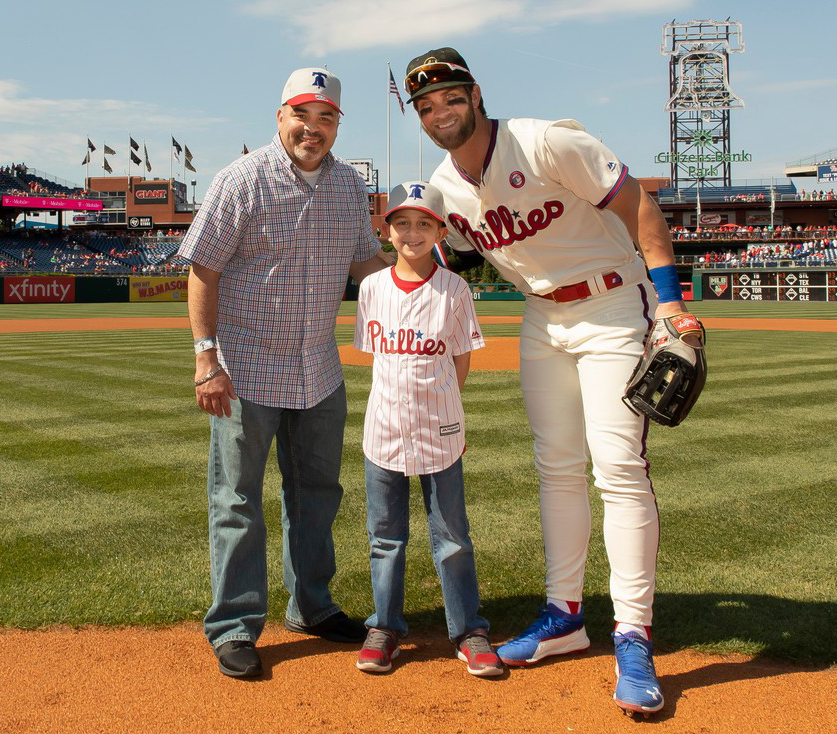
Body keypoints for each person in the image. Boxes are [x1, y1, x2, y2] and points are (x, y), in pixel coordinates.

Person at [404, 47, 699, 715]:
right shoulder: (444, 189)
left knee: (617, 468)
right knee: (556, 468)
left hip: (612, 304)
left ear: (475, 93)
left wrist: (670, 303)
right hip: (544, 317)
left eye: (449, 97)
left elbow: (636, 206)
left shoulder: (543, 142)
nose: (439, 112)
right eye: (424, 106)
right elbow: (428, 252)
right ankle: (564, 614)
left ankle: (632, 634)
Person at [178, 66, 390, 678]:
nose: (313, 128)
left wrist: (421, 288)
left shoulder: (349, 186)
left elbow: (364, 263)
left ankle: (313, 608)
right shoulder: (241, 180)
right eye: (302, 114)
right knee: (237, 499)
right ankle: (234, 625)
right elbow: (203, 270)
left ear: (336, 126)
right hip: (244, 369)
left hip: (318, 370)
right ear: (280, 117)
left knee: (318, 496)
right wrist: (205, 360)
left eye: (326, 118)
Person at [353, 181, 502, 678]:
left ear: (440, 230)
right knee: (385, 538)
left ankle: (468, 630)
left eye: (423, 223)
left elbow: (460, 361)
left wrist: (439, 402)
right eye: (402, 222)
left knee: (453, 538)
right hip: (383, 430)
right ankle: (385, 627)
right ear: (387, 230)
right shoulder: (371, 288)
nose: (412, 232)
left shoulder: (454, 289)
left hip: (440, 428)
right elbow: (374, 356)